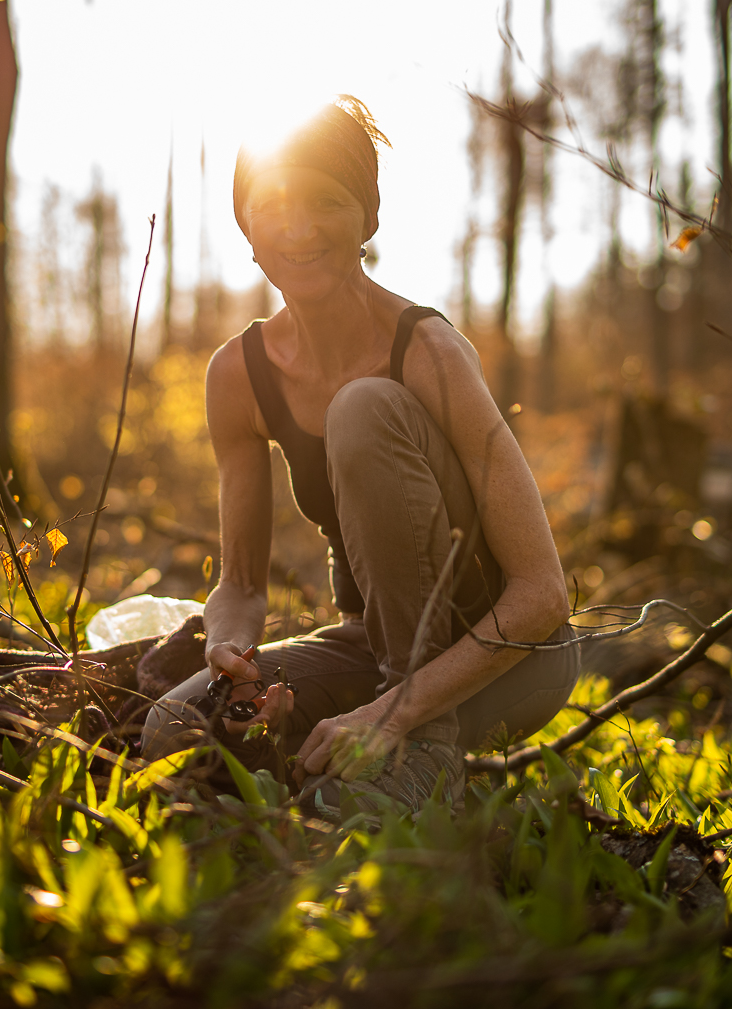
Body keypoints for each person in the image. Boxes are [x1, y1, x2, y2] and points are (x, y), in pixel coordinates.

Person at [142, 96, 583, 815]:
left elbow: (542, 597)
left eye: (328, 200)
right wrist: (231, 654)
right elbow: (243, 586)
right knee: (176, 729)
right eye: (273, 202)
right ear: (246, 225)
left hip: (506, 662)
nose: (299, 225)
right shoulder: (237, 374)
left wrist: (402, 710)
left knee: (362, 406)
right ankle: (354, 746)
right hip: (370, 652)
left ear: (368, 218)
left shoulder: (430, 352)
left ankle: (425, 756)